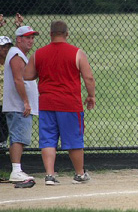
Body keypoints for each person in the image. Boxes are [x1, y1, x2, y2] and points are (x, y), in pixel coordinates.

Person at [24, 21, 96, 185]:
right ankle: (79, 174)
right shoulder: (77, 53)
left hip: (47, 102)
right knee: (74, 139)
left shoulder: (39, 54)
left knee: (48, 139)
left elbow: (27, 75)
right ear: (66, 34)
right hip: (69, 103)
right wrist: (91, 95)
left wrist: (42, 70)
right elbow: (89, 78)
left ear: (50, 34)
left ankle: (49, 175)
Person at [3, 25, 39, 187]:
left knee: (20, 137)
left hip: (19, 105)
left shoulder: (18, 54)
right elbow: (19, 80)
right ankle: (16, 170)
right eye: (27, 38)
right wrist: (26, 101)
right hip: (18, 105)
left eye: (32, 38)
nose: (31, 41)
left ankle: (17, 169)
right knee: (18, 137)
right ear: (19, 40)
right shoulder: (16, 55)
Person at [0, 36, 12, 149]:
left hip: (7, 101)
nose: (6, 49)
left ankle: (2, 148)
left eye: (8, 47)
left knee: (5, 128)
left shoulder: (11, 63)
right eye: (3, 47)